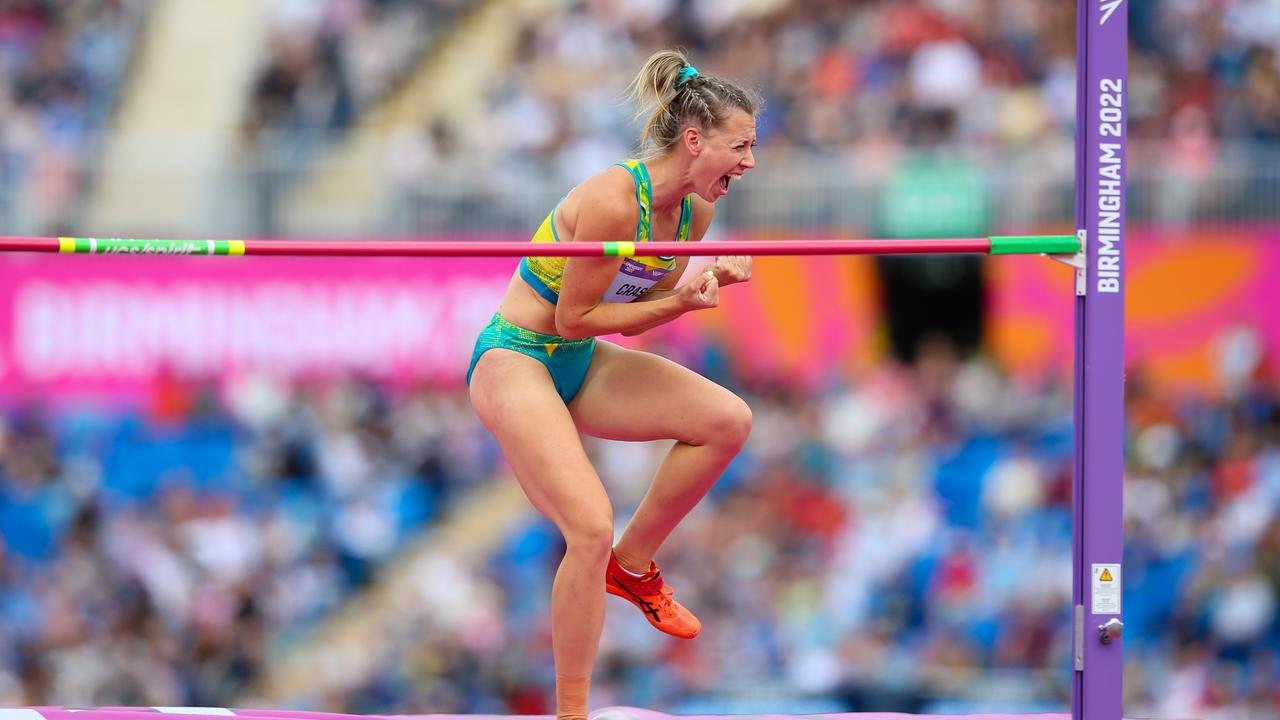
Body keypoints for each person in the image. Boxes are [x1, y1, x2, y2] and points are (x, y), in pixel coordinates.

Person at [466, 49, 758, 720]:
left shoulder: (695, 217)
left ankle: (634, 564)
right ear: (694, 141)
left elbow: (619, 323)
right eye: (739, 146)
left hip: (579, 359)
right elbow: (574, 316)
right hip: (517, 358)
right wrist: (682, 302)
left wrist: (693, 287)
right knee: (588, 526)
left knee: (727, 420)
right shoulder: (609, 200)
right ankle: (572, 713)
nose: (748, 162)